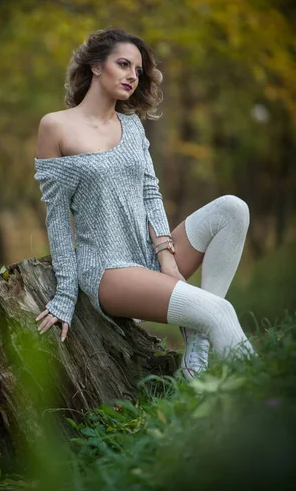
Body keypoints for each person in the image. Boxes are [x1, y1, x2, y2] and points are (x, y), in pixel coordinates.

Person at [34, 27, 256, 380]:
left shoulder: (132, 126)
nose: (132, 76)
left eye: (137, 71)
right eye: (123, 64)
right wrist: (65, 294)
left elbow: (150, 194)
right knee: (219, 312)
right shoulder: (56, 127)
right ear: (96, 66)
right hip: (108, 270)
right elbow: (58, 218)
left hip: (151, 255)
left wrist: (167, 260)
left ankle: (197, 345)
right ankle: (262, 402)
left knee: (233, 208)